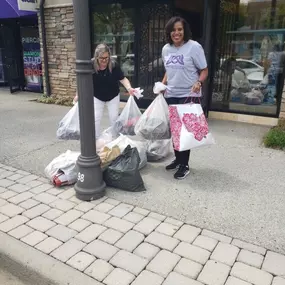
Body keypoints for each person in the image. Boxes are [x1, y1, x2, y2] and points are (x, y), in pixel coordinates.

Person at [161, 16, 208, 180]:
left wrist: (199, 82)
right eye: (173, 30)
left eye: (179, 29)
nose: (176, 33)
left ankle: (184, 164)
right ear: (169, 32)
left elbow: (204, 70)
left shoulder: (194, 47)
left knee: (185, 131)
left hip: (189, 94)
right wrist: (162, 85)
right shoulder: (166, 49)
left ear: (184, 30)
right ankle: (178, 159)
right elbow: (169, 69)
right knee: (175, 130)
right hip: (171, 93)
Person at [74, 43, 135, 138]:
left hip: (113, 95)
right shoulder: (90, 65)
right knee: (95, 118)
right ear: (96, 57)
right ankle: (97, 140)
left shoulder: (113, 64)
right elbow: (82, 81)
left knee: (114, 118)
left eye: (107, 57)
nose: (104, 60)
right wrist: (78, 95)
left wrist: (129, 88)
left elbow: (122, 79)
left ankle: (116, 139)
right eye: (102, 58)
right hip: (97, 96)